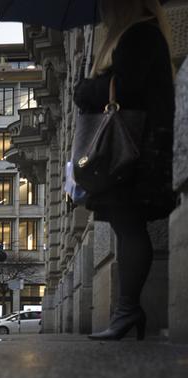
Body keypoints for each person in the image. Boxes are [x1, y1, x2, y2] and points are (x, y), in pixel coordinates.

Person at [73, 0, 175, 341]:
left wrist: (86, 89)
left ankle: (128, 310)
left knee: (130, 227)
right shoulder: (142, 34)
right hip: (136, 147)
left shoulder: (138, 35)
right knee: (127, 226)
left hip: (133, 150)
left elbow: (125, 88)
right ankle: (127, 310)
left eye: (108, 6)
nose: (103, 14)